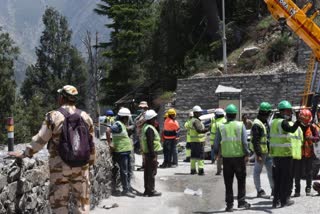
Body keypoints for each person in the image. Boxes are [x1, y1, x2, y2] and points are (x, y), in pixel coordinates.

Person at [8, 85, 95, 214]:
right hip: (82, 167)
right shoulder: (86, 117)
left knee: (59, 204)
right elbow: (91, 144)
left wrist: (25, 153)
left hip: (59, 167)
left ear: (61, 98)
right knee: (82, 205)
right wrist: (90, 163)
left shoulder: (53, 116)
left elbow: (41, 140)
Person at [214, 104, 251, 212]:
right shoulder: (240, 125)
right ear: (235, 114)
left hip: (227, 160)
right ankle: (241, 202)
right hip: (239, 158)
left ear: (226, 115)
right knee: (241, 180)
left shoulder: (221, 127)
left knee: (228, 182)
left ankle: (229, 205)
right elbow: (245, 142)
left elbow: (216, 143)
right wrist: (247, 153)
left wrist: (216, 153)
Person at [270, 100, 300, 208]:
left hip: (276, 156)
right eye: (289, 111)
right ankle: (283, 201)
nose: (290, 113)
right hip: (285, 156)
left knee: (277, 179)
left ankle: (275, 201)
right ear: (284, 111)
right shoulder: (283, 122)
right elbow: (291, 130)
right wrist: (298, 121)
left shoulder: (273, 122)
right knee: (285, 179)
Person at [108, 108, 135, 198]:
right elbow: (108, 131)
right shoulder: (118, 125)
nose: (128, 119)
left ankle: (127, 188)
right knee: (124, 171)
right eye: (127, 117)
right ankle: (125, 190)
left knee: (126, 171)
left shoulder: (122, 125)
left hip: (125, 151)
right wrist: (110, 143)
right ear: (124, 117)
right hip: (121, 151)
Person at [293, 109, 318, 197]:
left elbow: (317, 137)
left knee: (309, 172)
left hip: (309, 153)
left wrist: (312, 138)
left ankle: (308, 189)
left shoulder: (312, 127)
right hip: (298, 153)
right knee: (297, 173)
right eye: (303, 119)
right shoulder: (295, 126)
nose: (305, 121)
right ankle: (297, 191)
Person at [251, 102, 274, 197]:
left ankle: (274, 189)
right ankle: (259, 190)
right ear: (264, 113)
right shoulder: (257, 124)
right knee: (257, 171)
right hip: (261, 152)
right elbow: (255, 141)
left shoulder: (265, 122)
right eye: (268, 113)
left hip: (268, 152)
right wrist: (258, 155)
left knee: (271, 171)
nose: (269, 115)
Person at [141, 109, 163, 197]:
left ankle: (147, 190)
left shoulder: (146, 126)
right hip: (150, 153)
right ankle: (151, 190)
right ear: (151, 119)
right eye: (154, 118)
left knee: (147, 172)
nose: (155, 120)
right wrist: (153, 155)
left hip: (147, 153)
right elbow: (150, 143)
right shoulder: (149, 129)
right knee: (151, 172)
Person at [189, 105, 208, 175]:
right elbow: (199, 131)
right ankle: (201, 170)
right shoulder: (196, 121)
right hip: (199, 142)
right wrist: (208, 129)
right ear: (195, 113)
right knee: (200, 156)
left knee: (193, 156)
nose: (201, 113)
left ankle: (193, 170)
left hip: (193, 141)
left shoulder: (192, 120)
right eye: (199, 112)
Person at [210, 108, 226, 175]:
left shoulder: (215, 124)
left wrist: (212, 144)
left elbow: (213, 136)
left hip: (219, 143)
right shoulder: (226, 121)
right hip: (227, 142)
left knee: (219, 157)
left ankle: (219, 171)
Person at [134, 101, 149, 171]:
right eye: (140, 107)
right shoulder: (141, 114)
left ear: (145, 107)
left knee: (144, 150)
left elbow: (139, 122)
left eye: (142, 107)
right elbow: (136, 121)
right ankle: (144, 164)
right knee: (142, 150)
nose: (141, 108)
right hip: (141, 134)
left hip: (144, 134)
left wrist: (137, 123)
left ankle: (145, 165)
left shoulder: (147, 114)